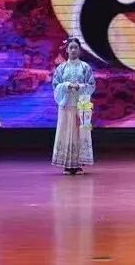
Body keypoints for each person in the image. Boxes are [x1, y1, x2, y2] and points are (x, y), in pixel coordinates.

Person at [52, 37, 96, 175]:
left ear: (80, 50)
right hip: (66, 105)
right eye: (71, 47)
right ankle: (67, 164)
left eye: (76, 47)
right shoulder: (61, 68)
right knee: (66, 132)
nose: (73, 50)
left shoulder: (85, 67)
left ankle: (78, 164)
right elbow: (55, 85)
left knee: (80, 133)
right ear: (67, 50)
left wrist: (80, 86)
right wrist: (66, 85)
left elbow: (91, 85)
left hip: (81, 105)